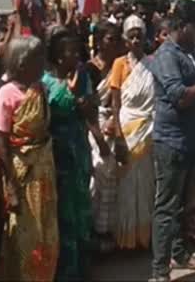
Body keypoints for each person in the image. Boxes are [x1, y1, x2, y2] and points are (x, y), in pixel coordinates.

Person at [148, 0, 195, 282]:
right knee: (166, 207)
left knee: (183, 204)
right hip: (170, 142)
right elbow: (180, 97)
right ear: (183, 26)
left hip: (192, 140)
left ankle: (178, 252)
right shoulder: (166, 56)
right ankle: (159, 270)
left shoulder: (191, 52)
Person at [0, 36, 58, 282]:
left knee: (47, 230)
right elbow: (2, 141)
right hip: (21, 173)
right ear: (21, 64)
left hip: (44, 171)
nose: (43, 64)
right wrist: (10, 184)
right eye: (37, 60)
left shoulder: (39, 89)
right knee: (24, 232)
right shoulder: (6, 93)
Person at [42, 25, 98, 281]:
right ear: (56, 54)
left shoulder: (83, 76)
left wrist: (80, 100)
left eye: (77, 50)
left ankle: (84, 265)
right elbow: (43, 116)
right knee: (62, 213)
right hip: (56, 153)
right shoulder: (44, 80)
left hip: (79, 149)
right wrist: (71, 96)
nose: (75, 56)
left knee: (81, 210)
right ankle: (65, 271)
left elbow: (90, 111)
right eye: (69, 52)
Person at [105, 15, 157, 250]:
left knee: (145, 185)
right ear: (125, 39)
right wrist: (117, 136)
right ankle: (125, 240)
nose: (135, 40)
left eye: (140, 36)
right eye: (131, 36)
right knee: (126, 187)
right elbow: (115, 104)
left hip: (147, 130)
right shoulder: (119, 64)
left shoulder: (152, 64)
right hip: (126, 129)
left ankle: (143, 239)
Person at [87, 21, 126, 252]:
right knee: (97, 179)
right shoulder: (89, 70)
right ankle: (95, 233)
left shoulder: (122, 65)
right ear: (99, 41)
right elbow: (88, 107)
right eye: (110, 39)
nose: (115, 43)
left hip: (119, 123)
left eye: (117, 39)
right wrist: (99, 137)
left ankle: (109, 232)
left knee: (114, 178)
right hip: (96, 128)